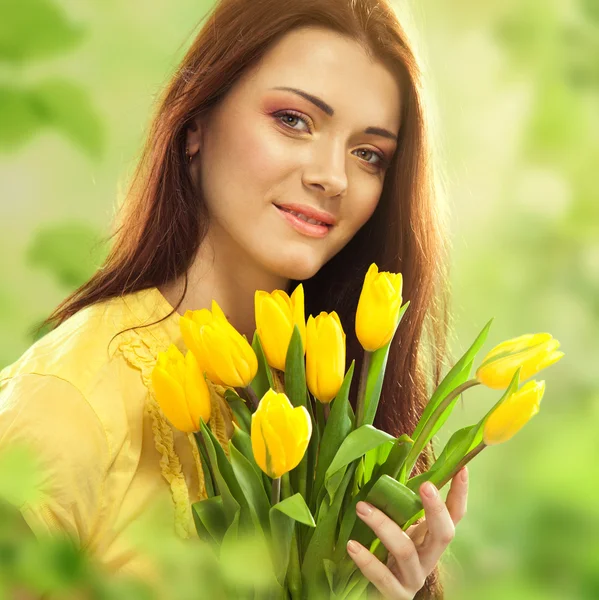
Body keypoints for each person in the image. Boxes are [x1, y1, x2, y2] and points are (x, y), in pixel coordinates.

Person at [0, 0, 469, 598]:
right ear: (196, 125)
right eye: (293, 120)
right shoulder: (68, 401)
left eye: (369, 153)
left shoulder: (339, 411)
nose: (334, 177)